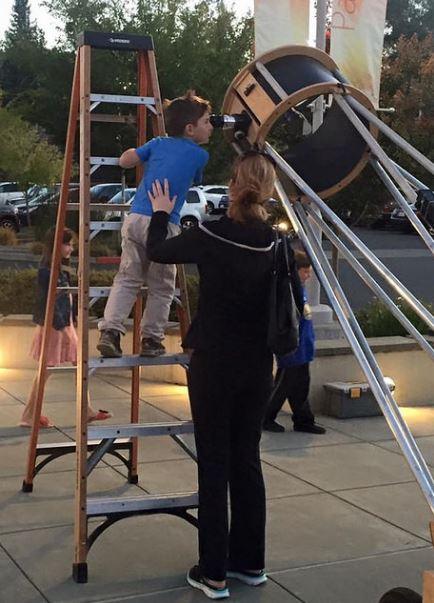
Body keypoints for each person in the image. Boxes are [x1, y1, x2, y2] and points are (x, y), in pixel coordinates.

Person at [145, 152, 303, 600]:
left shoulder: (212, 233)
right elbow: (292, 299)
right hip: (258, 365)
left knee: (214, 463)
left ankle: (213, 571)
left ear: (233, 186)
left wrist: (160, 213)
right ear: (268, 190)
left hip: (215, 362)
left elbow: (159, 252)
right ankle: (250, 563)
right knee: (246, 461)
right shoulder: (275, 243)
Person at [97, 90, 213, 359]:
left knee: (127, 278)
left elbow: (126, 161)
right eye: (207, 122)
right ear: (190, 128)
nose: (211, 127)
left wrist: (134, 152)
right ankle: (151, 339)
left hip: (135, 218)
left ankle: (110, 332)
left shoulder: (157, 143)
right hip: (165, 224)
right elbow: (194, 181)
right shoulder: (199, 156)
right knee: (162, 286)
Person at [20, 228, 112, 428]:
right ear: (56, 245)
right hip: (56, 327)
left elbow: (66, 297)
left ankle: (83, 410)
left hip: (62, 324)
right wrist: (64, 326)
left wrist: (72, 319)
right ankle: (29, 414)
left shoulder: (59, 268)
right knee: (48, 370)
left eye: (71, 244)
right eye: (67, 244)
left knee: (75, 366)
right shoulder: (48, 271)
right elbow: (50, 302)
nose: (71, 248)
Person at [263, 250, 326, 434]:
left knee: (300, 387)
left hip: (303, 348)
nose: (308, 276)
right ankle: (265, 417)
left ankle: (303, 419)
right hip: (292, 348)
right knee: (282, 385)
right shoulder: (288, 291)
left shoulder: (299, 290)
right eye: (305, 272)